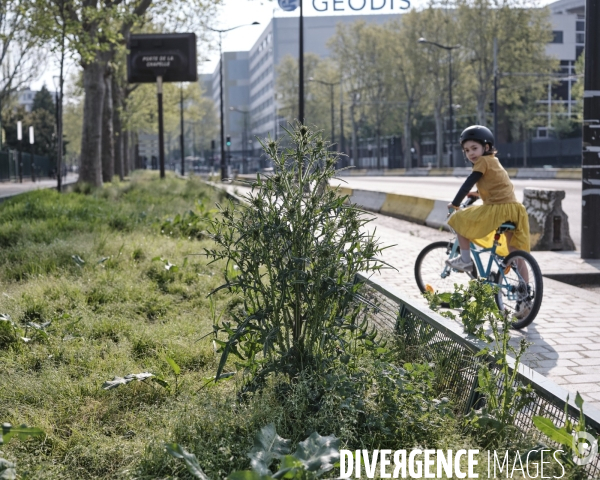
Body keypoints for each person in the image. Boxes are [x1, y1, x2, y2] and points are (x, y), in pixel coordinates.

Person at [446, 125, 531, 316]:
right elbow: (493, 189)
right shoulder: (493, 161)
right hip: (514, 210)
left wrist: (455, 203)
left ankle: (466, 260)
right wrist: (475, 195)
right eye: (466, 150)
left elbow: (468, 181)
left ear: (486, 147)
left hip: (498, 211)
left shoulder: (482, 162)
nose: (470, 153)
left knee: (458, 218)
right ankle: (525, 299)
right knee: (516, 255)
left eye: (474, 148)